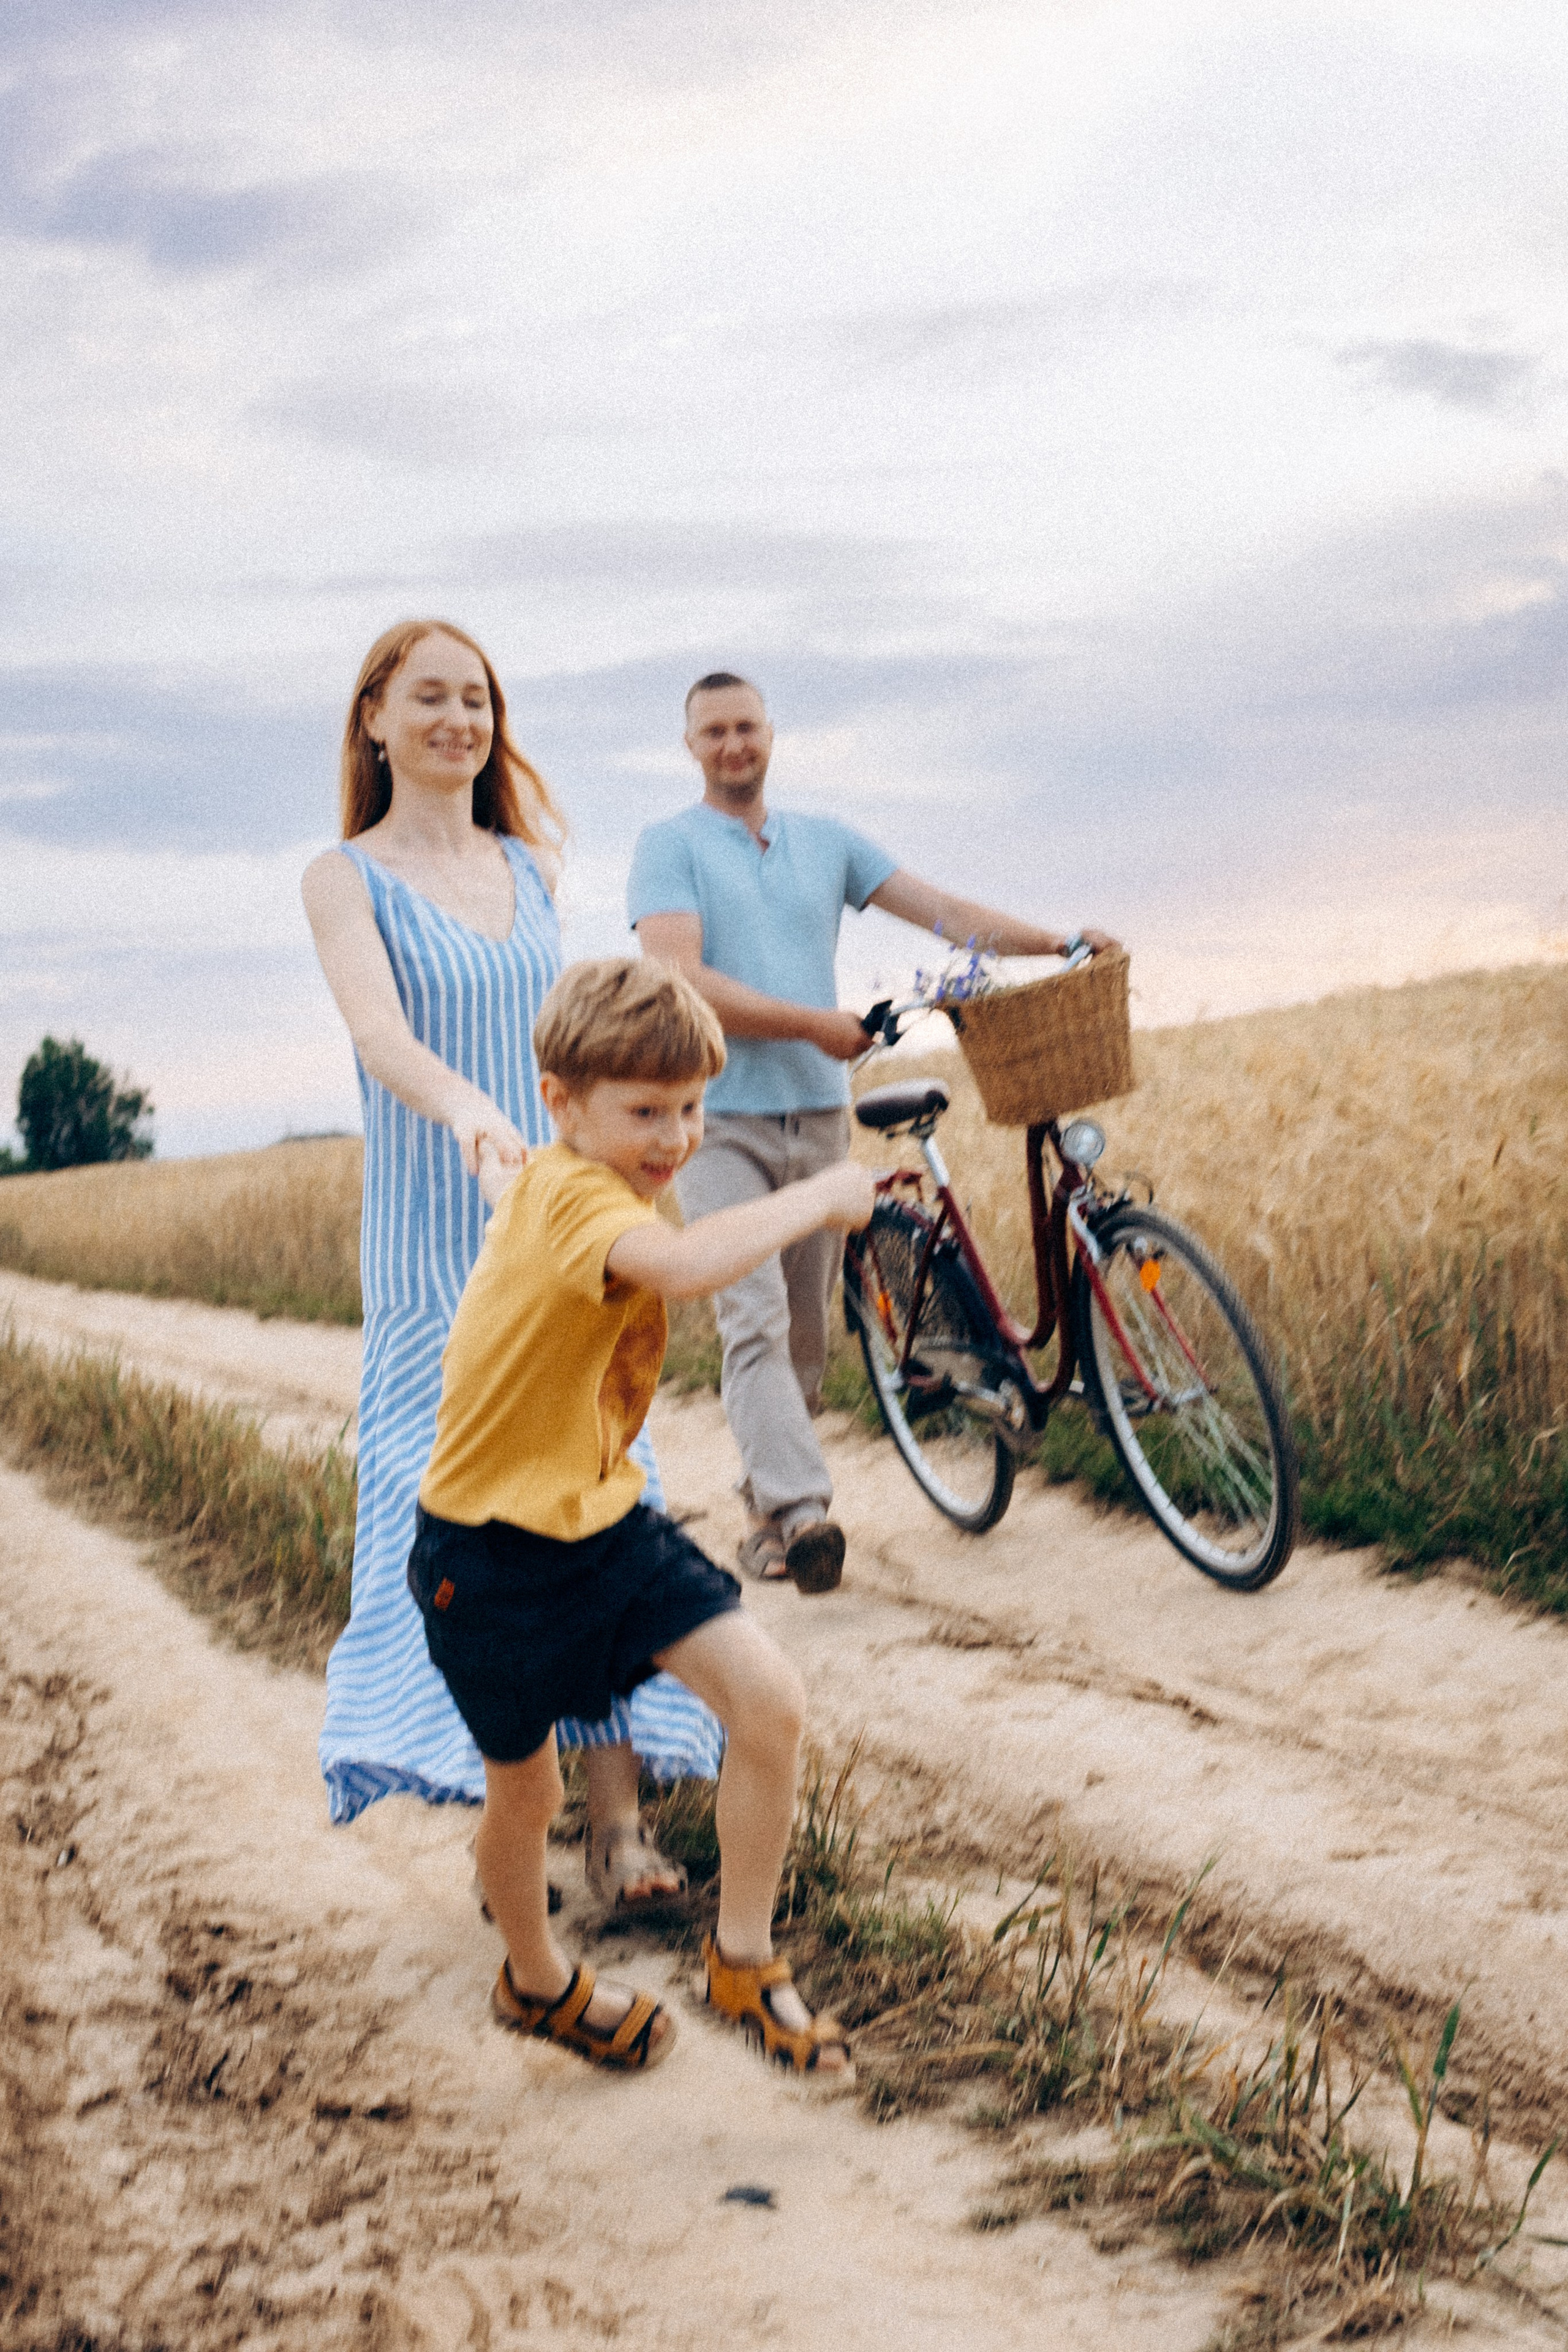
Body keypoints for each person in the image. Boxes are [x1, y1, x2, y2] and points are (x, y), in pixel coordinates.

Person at [301, 619, 720, 1909]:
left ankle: (616, 1826)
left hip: (562, 1227)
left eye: (475, 698)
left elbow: (585, 1046)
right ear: (374, 717)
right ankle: (512, 1827)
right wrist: (472, 1116)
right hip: (438, 1249)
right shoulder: (342, 877)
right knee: (477, 1549)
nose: (457, 720)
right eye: (428, 697)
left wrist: (639, 1151)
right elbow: (378, 1035)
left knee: (601, 1494)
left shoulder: (531, 866)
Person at [407, 954, 869, 2071]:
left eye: (693, 1109)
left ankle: (744, 1957)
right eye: (646, 1111)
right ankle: (534, 1979)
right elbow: (675, 1266)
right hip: (492, 1556)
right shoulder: (577, 1196)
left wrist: (491, 1146)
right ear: (562, 1102)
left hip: (604, 1530)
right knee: (528, 1796)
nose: (675, 1138)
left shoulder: (569, 1176)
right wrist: (820, 1193)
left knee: (766, 1703)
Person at [629, 671, 1118, 1586]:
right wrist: (816, 1022)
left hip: (817, 1114)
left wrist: (1059, 944)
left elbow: (946, 914)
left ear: (771, 733)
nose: (733, 744)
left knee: (805, 1336)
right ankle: (804, 1514)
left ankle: (767, 1508)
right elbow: (680, 978)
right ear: (690, 745)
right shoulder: (670, 846)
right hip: (715, 1120)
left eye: (747, 727)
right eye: (714, 732)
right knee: (754, 1319)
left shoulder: (826, 842)